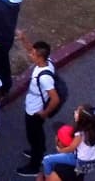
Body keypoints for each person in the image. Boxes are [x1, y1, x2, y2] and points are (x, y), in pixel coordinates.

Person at [14, 32, 59, 177]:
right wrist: (24, 39)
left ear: (39, 57)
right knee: (36, 134)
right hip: (33, 107)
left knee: (34, 135)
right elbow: (30, 49)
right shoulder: (48, 62)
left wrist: (44, 113)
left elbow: (55, 99)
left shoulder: (44, 77)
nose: (30, 54)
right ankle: (37, 150)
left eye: (33, 54)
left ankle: (34, 166)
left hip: (35, 111)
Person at [39, 104, 95, 181]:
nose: (75, 112)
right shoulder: (93, 131)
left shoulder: (80, 133)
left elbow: (71, 148)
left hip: (78, 161)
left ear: (82, 119)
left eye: (77, 112)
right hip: (89, 163)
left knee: (47, 159)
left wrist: (61, 150)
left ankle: (47, 178)